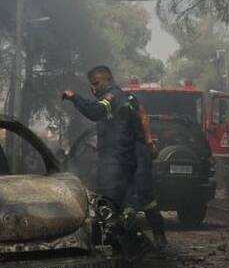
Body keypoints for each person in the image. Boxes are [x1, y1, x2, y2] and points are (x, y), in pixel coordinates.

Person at [62, 65, 139, 208]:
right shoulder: (118, 96)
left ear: (109, 79)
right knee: (119, 206)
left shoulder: (112, 96)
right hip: (120, 159)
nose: (94, 88)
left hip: (117, 161)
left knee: (110, 204)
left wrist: (74, 97)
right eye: (91, 84)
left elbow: (95, 111)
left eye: (96, 83)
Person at [128, 101, 168, 250]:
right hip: (121, 154)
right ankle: (133, 240)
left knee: (145, 194)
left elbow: (143, 115)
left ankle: (158, 234)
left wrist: (149, 142)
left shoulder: (125, 98)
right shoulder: (102, 105)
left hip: (138, 152)